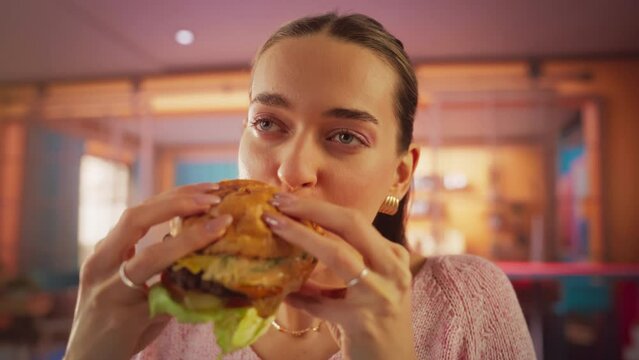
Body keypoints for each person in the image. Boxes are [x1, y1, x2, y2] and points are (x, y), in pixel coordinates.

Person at [64, 13, 536, 360]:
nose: (292, 171)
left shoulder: (467, 300)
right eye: (268, 123)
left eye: (345, 136)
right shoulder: (176, 313)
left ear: (400, 173)